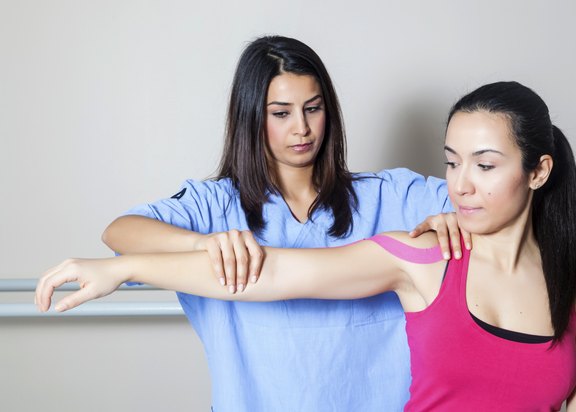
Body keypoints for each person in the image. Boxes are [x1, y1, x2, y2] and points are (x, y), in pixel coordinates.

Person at [37, 81, 576, 411]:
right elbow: (268, 275)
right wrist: (124, 269)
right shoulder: (419, 259)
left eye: (484, 165)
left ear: (539, 172)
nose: (460, 184)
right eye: (451, 163)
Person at [94, 35, 465, 411]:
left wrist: (456, 218)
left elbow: (496, 208)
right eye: (281, 113)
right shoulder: (216, 206)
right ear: (252, 116)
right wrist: (201, 244)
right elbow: (121, 232)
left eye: (313, 108)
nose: (301, 128)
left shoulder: (391, 195)